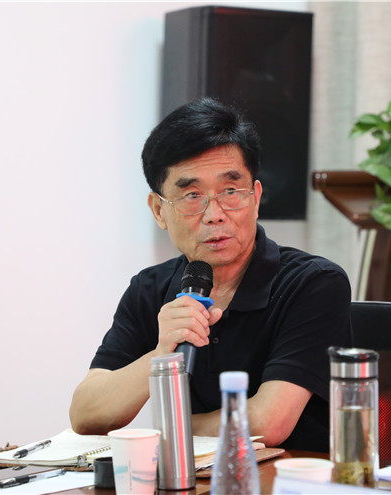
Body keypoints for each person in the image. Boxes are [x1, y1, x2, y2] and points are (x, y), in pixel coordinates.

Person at [69, 97, 352, 452]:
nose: (214, 214)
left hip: (289, 477)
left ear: (255, 198)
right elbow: (85, 414)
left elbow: (267, 424)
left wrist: (167, 429)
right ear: (158, 211)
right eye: (191, 195)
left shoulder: (313, 283)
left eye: (230, 191)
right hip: (191, 478)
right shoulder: (150, 288)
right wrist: (160, 354)